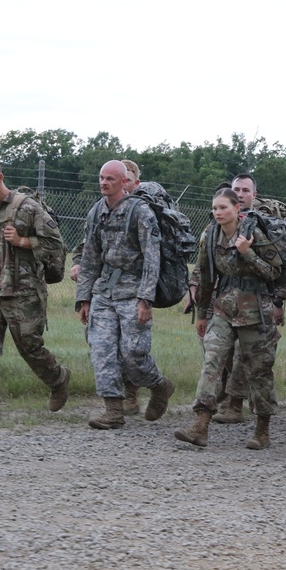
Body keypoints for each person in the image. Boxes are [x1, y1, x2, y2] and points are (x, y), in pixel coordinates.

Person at [0, 153, 71, 417]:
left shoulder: (28, 208)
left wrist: (24, 241)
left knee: (30, 347)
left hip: (23, 292)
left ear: (0, 178)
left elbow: (56, 246)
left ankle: (58, 380)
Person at [174, 188, 282, 449]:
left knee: (258, 370)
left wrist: (248, 253)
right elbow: (208, 277)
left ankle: (262, 430)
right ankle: (201, 424)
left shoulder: (253, 233)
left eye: (223, 207)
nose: (218, 212)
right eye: (214, 208)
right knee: (212, 360)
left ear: (236, 209)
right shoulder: (210, 235)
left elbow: (274, 272)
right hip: (223, 309)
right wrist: (202, 314)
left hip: (256, 312)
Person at [75, 160, 174, 429]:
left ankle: (159, 385)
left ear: (123, 182)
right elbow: (90, 258)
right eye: (101, 178)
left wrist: (146, 299)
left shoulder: (140, 212)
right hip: (104, 292)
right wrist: (84, 299)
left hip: (133, 292)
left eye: (110, 179)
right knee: (102, 351)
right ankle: (113, 411)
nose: (104, 183)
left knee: (133, 353)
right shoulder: (96, 212)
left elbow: (152, 258)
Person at [208, 173, 286, 425]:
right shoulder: (215, 229)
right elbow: (207, 266)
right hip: (225, 304)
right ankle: (216, 406)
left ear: (253, 196)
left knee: (253, 361)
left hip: (256, 307)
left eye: (245, 190)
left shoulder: (260, 229)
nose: (240, 193)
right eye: (236, 189)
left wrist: (278, 303)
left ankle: (242, 407)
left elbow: (277, 271)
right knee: (217, 354)